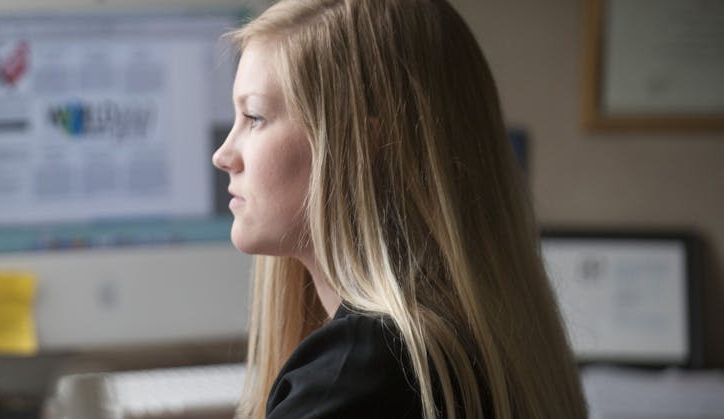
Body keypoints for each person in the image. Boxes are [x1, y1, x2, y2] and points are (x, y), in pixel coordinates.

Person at [210, 0, 587, 417]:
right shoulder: (471, 343)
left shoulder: (358, 375)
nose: (224, 154)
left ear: (361, 147)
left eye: (255, 117)